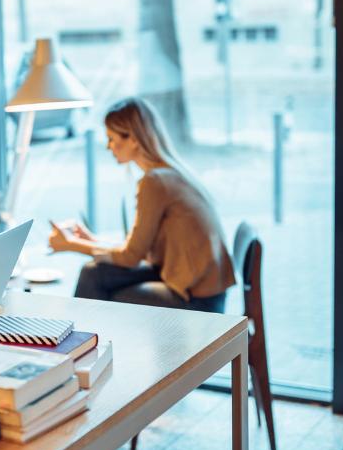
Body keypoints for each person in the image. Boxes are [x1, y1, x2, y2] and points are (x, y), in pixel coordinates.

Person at [49, 96, 235, 313]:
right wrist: (92, 241)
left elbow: (131, 257)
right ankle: (84, 341)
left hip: (198, 303)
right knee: (94, 273)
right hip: (196, 287)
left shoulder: (155, 182)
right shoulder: (171, 173)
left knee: (98, 287)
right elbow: (137, 249)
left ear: (134, 139)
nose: (109, 147)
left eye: (111, 138)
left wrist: (71, 244)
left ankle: (79, 342)